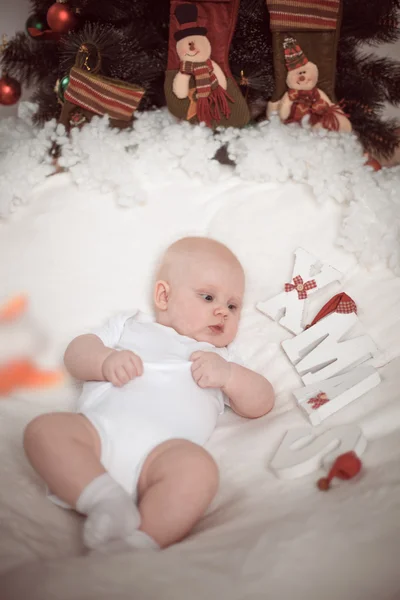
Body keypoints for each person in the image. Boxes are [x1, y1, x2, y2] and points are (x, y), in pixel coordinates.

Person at [23, 237, 274, 553]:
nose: (222, 312)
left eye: (233, 305)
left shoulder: (222, 358)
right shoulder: (129, 326)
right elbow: (76, 353)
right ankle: (106, 500)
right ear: (164, 295)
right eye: (208, 297)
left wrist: (229, 376)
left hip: (164, 458)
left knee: (199, 470)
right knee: (44, 430)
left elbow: (263, 401)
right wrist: (104, 361)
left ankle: (138, 543)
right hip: (98, 435)